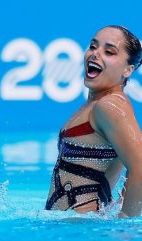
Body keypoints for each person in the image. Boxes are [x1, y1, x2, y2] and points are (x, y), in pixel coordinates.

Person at [45, 25, 142, 218]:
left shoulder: (110, 106)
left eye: (109, 52)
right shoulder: (96, 105)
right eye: (93, 46)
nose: (95, 54)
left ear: (128, 70)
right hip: (77, 229)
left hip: (84, 235)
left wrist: (124, 222)